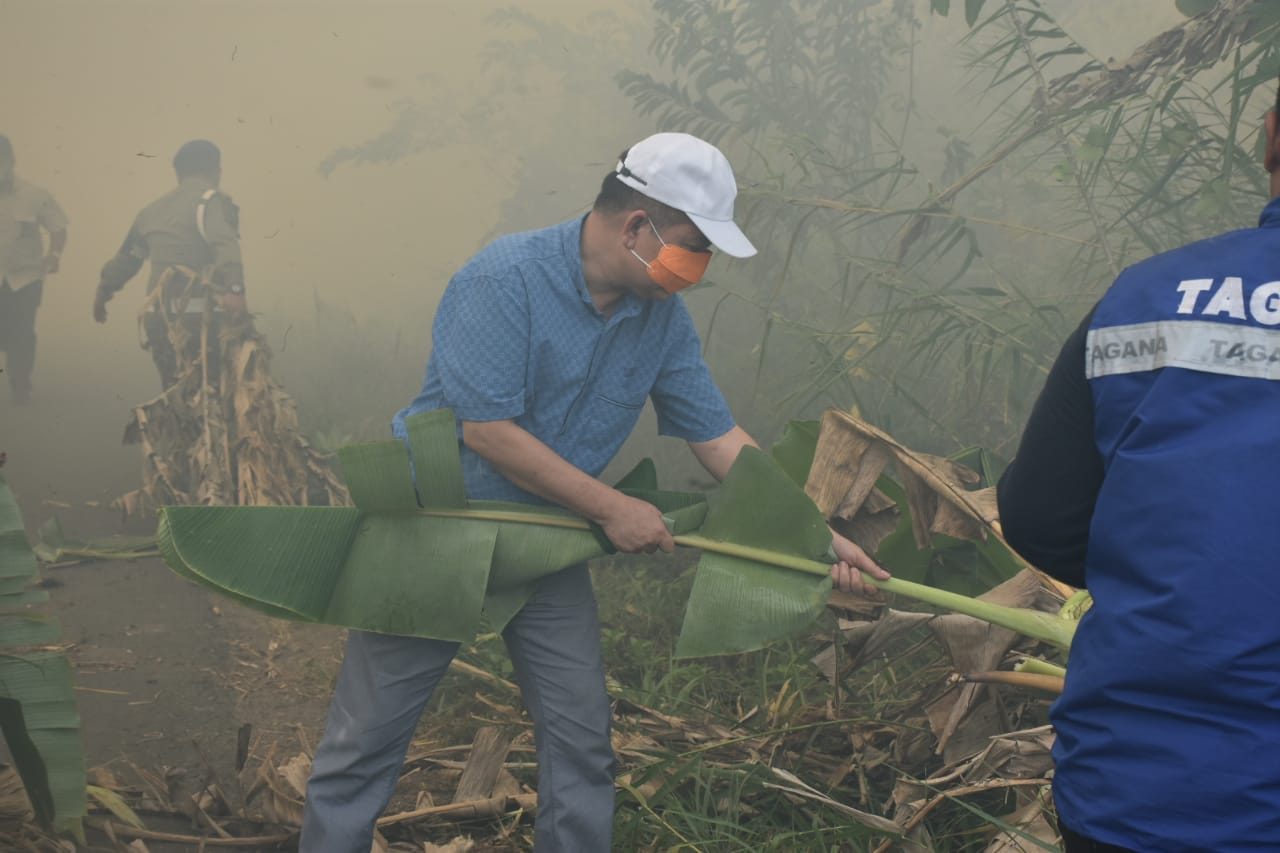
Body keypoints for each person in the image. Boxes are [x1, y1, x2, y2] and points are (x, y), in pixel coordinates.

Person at [299, 132, 891, 852]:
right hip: (440, 528)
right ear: (636, 225)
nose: (697, 268)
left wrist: (812, 530)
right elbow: (487, 431)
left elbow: (717, 437)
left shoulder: (661, 320)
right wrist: (613, 508)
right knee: (366, 742)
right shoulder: (502, 279)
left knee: (582, 743)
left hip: (548, 539)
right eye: (691, 244)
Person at [996, 83, 1280, 852]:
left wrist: (1172, 571)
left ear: (1269, 137)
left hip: (1137, 793)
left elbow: (1037, 517)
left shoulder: (1145, 298)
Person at [93, 139, 246, 389]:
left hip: (160, 319)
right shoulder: (211, 202)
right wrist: (236, 291)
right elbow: (226, 246)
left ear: (178, 173)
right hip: (202, 321)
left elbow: (130, 258)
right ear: (216, 171)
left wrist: (104, 289)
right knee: (213, 394)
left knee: (175, 391)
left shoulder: (151, 211)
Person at [0, 135, 68, 404]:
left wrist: (54, 255)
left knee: (21, 334)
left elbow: (58, 228)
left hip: (25, 278)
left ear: (11, 162)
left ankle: (20, 387)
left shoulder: (35, 195)